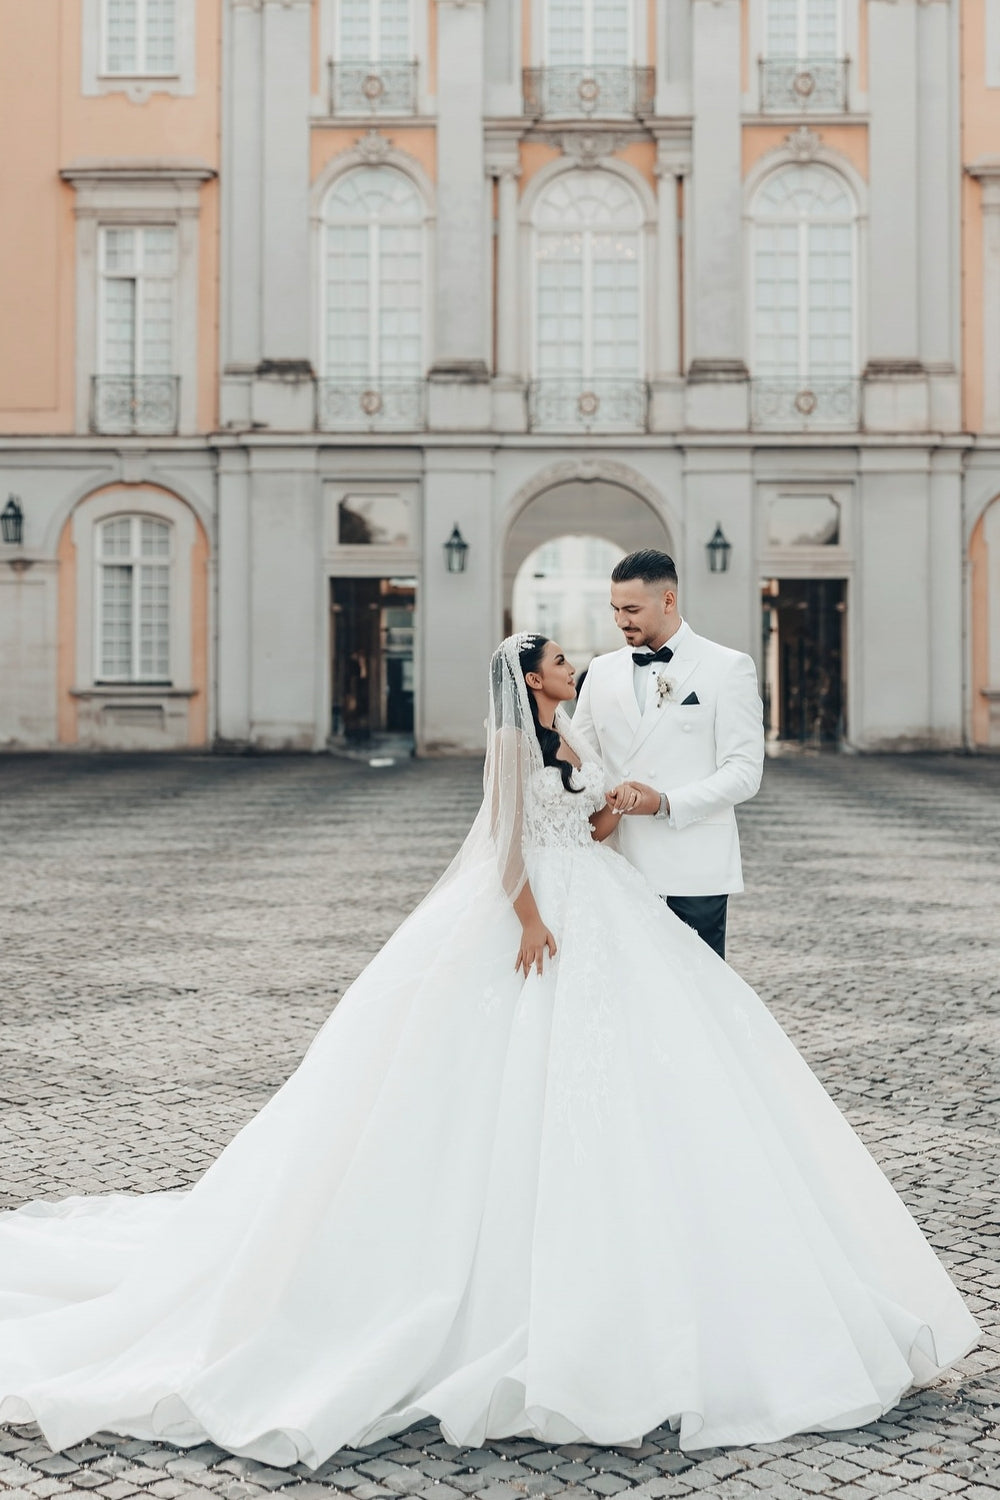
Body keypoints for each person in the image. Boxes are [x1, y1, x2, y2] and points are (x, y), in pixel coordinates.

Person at [0, 634, 978, 1470]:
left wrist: (617, 807)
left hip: (600, 891)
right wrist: (525, 921)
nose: (574, 662)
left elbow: (583, 818)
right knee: (495, 1081)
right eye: (559, 658)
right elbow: (507, 837)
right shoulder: (513, 737)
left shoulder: (575, 730)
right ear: (530, 677)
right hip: (541, 908)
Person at [573, 548, 764, 959]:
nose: (621, 620)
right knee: (626, 992)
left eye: (632, 609)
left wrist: (664, 803)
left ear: (668, 601)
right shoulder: (601, 671)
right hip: (615, 865)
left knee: (698, 996)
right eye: (615, 609)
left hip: (693, 867)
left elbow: (745, 772)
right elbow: (579, 760)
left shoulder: (728, 667)